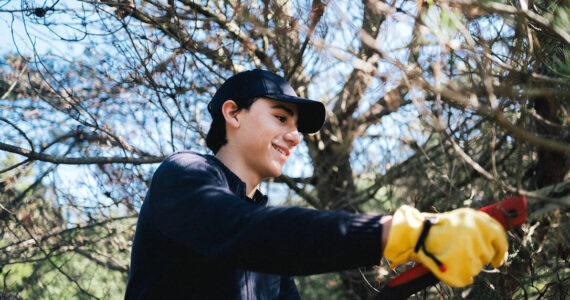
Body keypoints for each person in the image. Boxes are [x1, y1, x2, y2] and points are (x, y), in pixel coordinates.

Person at [124, 69, 509, 299]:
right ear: (233, 113)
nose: (294, 137)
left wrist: (408, 279)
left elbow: (267, 239)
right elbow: (244, 233)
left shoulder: (272, 254)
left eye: (296, 127)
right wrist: (406, 233)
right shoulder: (184, 174)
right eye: (280, 117)